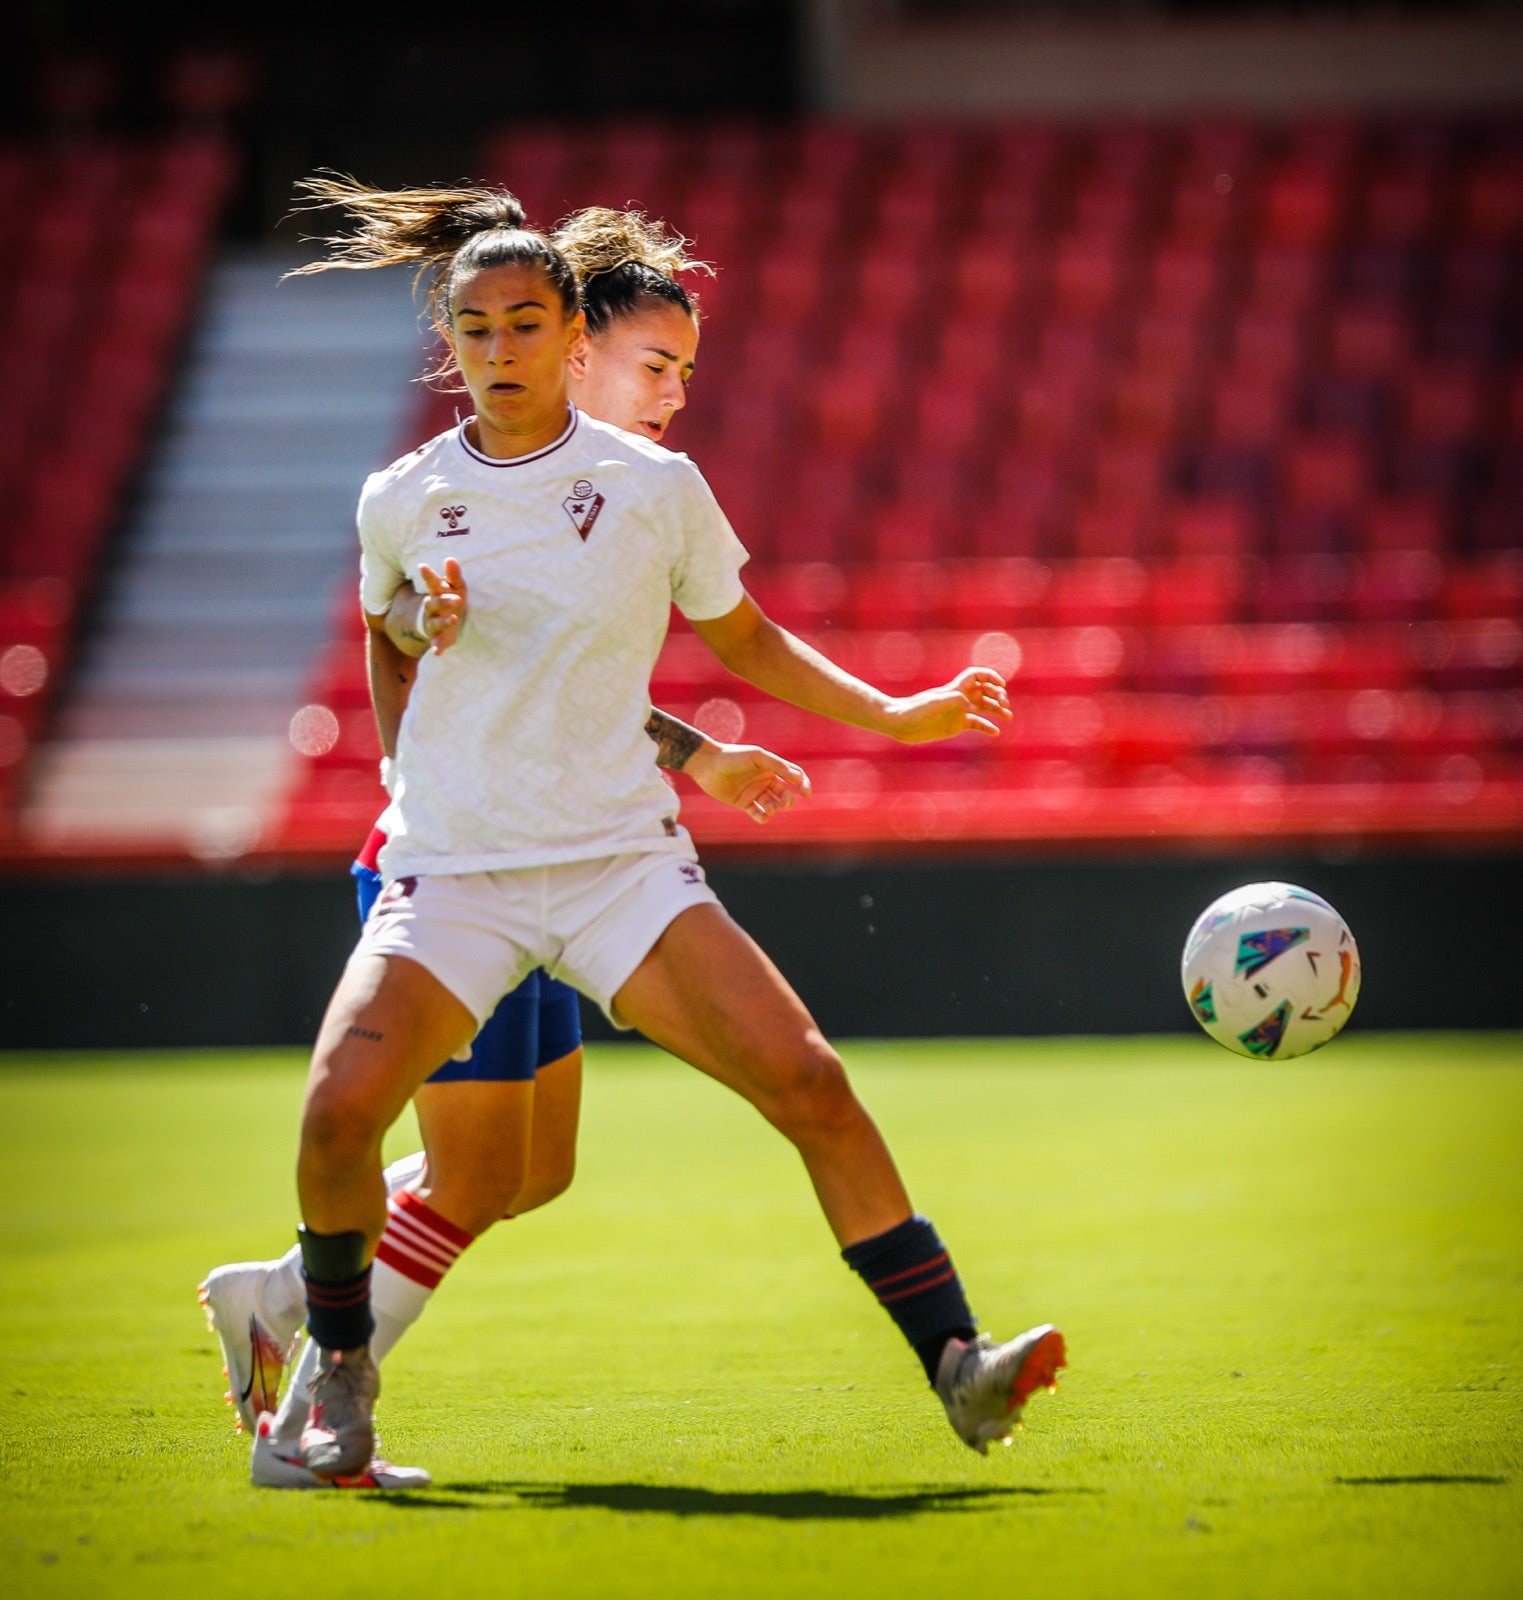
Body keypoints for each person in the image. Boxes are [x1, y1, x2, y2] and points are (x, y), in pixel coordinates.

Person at [271, 177, 1064, 1488]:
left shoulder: (652, 485)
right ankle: (336, 1378)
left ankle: (956, 1364)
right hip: (453, 870)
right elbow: (387, 631)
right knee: (335, 1119)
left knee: (806, 1083)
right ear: (451, 342)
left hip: (615, 866)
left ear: (567, 332)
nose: (499, 351)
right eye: (475, 330)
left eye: (524, 325)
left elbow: (741, 637)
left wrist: (898, 712)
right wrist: (419, 630)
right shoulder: (400, 496)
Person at [201, 207, 812, 1489]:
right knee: (478, 1171)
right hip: (467, 862)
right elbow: (422, 644)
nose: (673, 397)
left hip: (552, 850)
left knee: (533, 1170)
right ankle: (315, 1392)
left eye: (686, 375)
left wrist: (695, 755)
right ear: (576, 354)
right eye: (657, 367)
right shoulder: (463, 482)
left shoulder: (616, 485)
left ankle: (279, 1290)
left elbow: (562, 685)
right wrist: (409, 733)